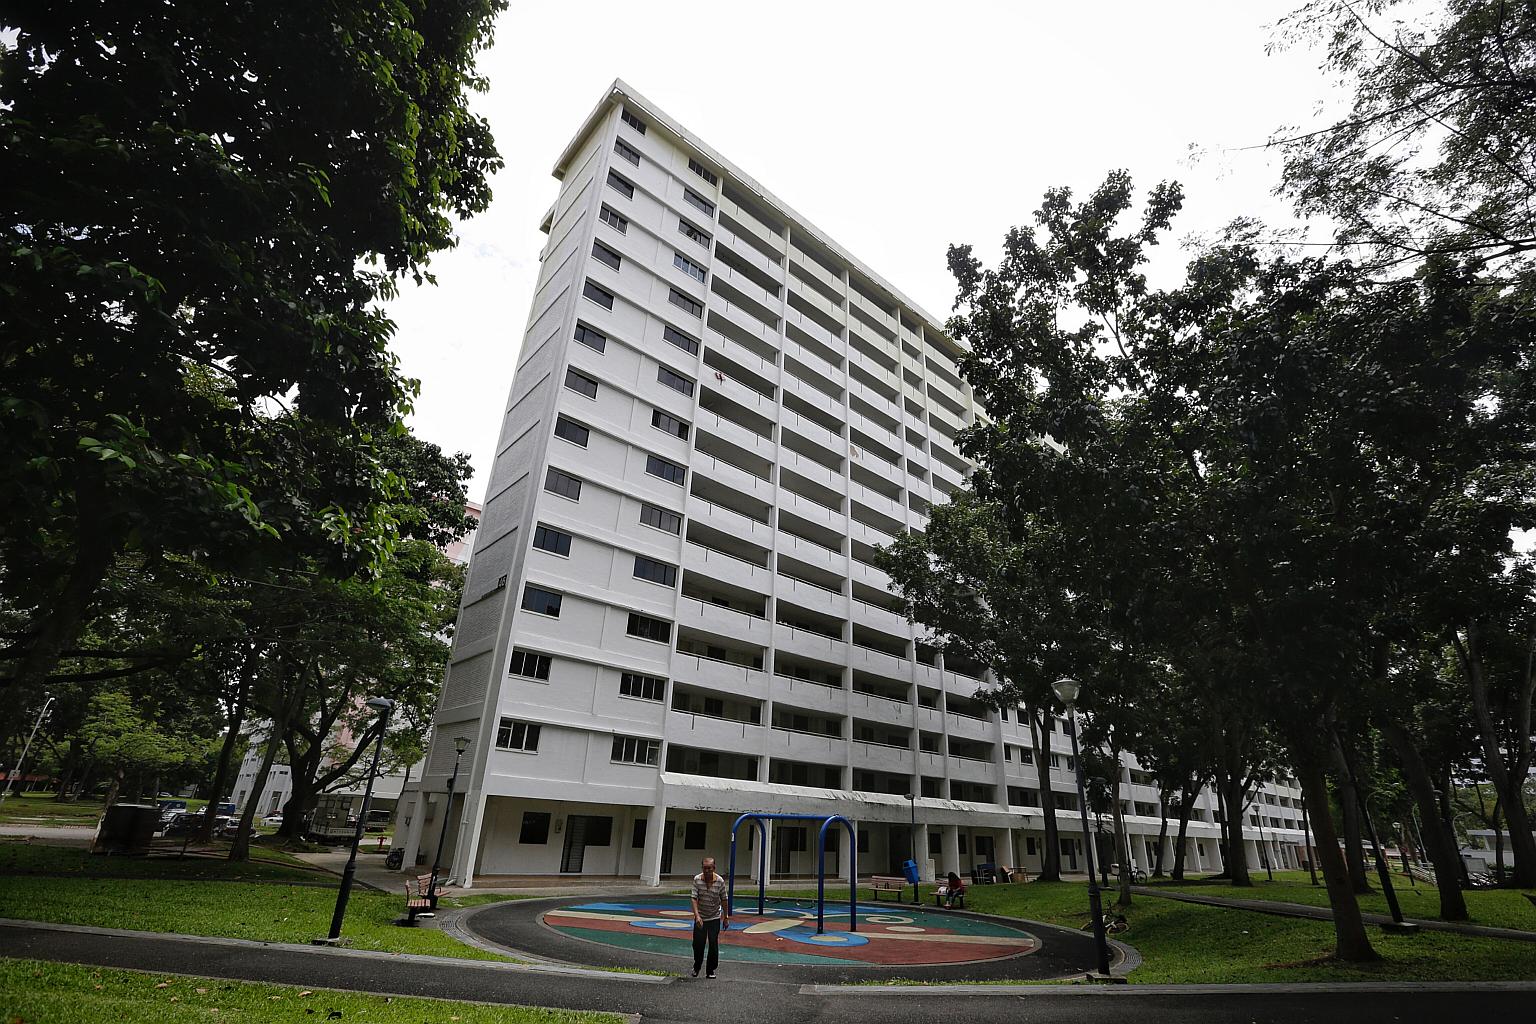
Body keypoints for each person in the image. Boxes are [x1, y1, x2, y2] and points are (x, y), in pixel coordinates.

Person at [690, 855, 729, 979]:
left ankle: (710, 970)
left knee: (713, 944)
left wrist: (726, 917)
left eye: (709, 868)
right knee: (698, 944)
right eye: (705, 868)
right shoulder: (697, 879)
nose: (707, 871)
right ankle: (697, 966)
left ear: (714, 868)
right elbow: (694, 898)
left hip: (714, 917)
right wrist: (697, 916)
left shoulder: (720, 881)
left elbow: (724, 899)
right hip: (701, 917)